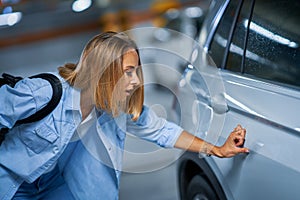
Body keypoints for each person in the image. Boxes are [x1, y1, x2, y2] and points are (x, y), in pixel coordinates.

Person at [0, 31, 249, 200]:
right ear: (102, 70)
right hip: (12, 187)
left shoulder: (115, 109)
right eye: (129, 72)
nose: (136, 80)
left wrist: (216, 149)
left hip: (58, 189)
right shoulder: (44, 93)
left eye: (136, 71)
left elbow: (162, 130)